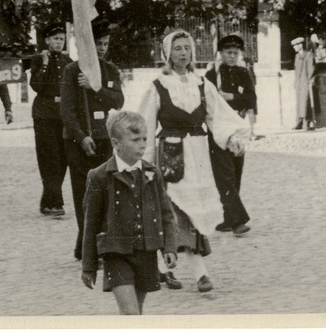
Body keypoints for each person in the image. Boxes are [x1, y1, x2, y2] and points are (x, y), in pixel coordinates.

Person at [138, 30, 249, 294]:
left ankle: (166, 268)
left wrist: (233, 135)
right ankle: (193, 271)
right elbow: (145, 124)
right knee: (174, 211)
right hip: (171, 155)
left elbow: (219, 115)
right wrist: (145, 164)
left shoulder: (202, 84)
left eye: (187, 48)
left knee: (195, 209)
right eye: (177, 48)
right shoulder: (158, 86)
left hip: (198, 156)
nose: (183, 53)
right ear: (168, 53)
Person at [81, 111, 178, 315]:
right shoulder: (99, 176)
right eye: (135, 140)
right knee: (130, 313)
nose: (142, 144)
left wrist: (169, 248)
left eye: (144, 138)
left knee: (137, 313)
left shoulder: (152, 173)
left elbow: (166, 214)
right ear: (116, 143)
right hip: (116, 255)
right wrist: (88, 266)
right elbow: (90, 224)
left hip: (146, 252)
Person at [60, 21, 125, 262]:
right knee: (84, 196)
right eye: (97, 43)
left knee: (105, 194)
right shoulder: (71, 71)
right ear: (87, 44)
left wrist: (94, 87)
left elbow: (118, 101)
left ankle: (87, 245)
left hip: (104, 140)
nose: (102, 48)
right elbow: (66, 111)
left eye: (106, 44)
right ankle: (89, 248)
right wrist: (81, 136)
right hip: (79, 141)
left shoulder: (110, 70)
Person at [204, 34, 255, 236]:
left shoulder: (244, 73)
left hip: (237, 128)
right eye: (228, 52)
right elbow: (208, 102)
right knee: (224, 175)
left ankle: (228, 217)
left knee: (235, 173)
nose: (233, 56)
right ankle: (237, 222)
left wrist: (230, 97)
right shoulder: (210, 75)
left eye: (236, 53)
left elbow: (251, 100)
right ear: (221, 53)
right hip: (218, 129)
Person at [29, 21, 72, 216]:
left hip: (62, 115)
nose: (59, 42)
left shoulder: (68, 61)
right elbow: (37, 86)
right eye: (55, 39)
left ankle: (48, 200)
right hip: (44, 114)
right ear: (47, 40)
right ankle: (56, 201)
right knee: (49, 158)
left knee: (63, 158)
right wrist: (45, 64)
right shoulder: (39, 59)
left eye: (62, 39)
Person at [291, 37, 314, 130]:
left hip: (305, 80)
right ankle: (299, 121)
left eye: (295, 46)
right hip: (299, 81)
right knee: (299, 101)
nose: (294, 48)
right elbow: (296, 70)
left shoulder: (308, 55)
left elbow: (311, 68)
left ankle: (306, 121)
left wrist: (310, 80)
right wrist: (295, 81)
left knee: (305, 100)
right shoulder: (297, 56)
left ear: (300, 45)